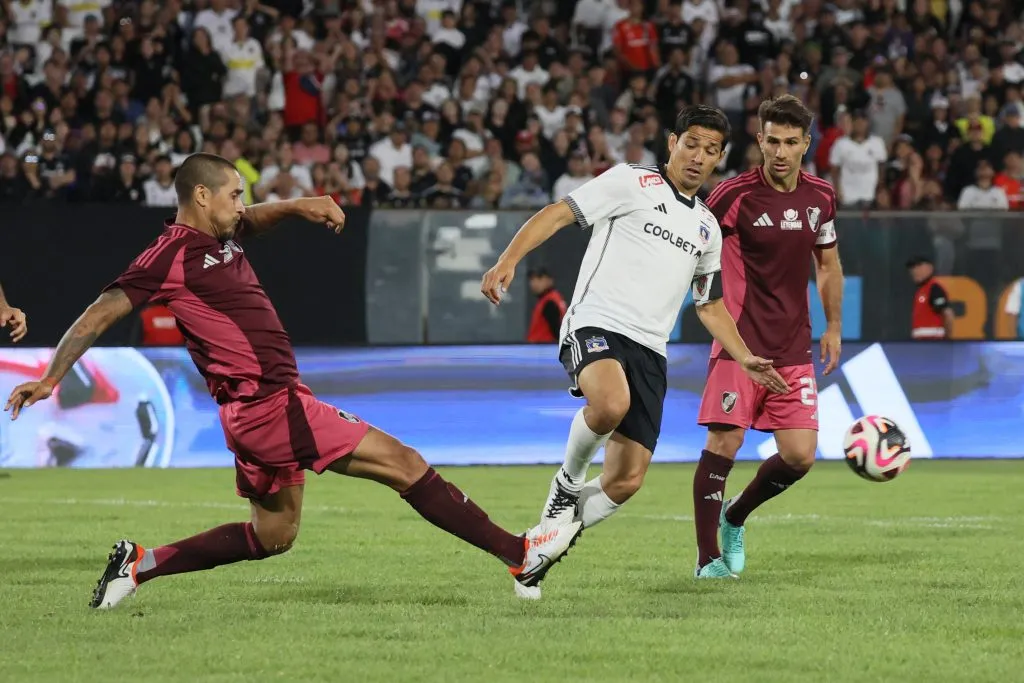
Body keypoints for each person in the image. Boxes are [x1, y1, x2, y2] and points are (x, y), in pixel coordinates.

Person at [4, 153, 583, 610]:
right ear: (200, 196)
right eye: (233, 194)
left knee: (273, 535)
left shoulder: (220, 237)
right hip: (265, 406)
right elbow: (101, 311)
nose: (241, 205)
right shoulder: (169, 254)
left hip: (265, 407)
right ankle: (519, 553)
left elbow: (253, 221)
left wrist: (304, 204)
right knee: (403, 464)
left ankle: (138, 565)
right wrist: (52, 376)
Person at [481, 105, 789, 599]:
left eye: (710, 150)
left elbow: (709, 307)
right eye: (690, 144)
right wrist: (508, 259)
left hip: (651, 350)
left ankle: (539, 550)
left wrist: (745, 355)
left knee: (626, 481)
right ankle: (566, 484)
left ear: (720, 158)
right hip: (597, 322)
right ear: (671, 143)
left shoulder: (707, 228)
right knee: (609, 403)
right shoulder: (629, 181)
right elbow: (560, 213)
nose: (697, 157)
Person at [693, 95, 844, 579]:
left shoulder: (820, 196)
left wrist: (834, 326)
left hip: (792, 346)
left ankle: (734, 516)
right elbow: (689, 246)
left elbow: (828, 264)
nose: (780, 152)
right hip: (740, 344)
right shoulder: (733, 195)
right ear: (759, 140)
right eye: (772, 141)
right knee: (725, 442)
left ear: (806, 144)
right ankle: (708, 559)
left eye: (791, 143)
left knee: (799, 458)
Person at [906, 255, 953, 340]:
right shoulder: (921, 291)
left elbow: (947, 314)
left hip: (933, 342)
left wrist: (947, 340)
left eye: (919, 266)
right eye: (912, 268)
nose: (915, 270)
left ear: (930, 268)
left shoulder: (934, 288)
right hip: (922, 343)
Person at [525, 266, 566, 343]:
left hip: (543, 350)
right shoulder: (555, 297)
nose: (534, 282)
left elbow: (557, 331)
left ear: (550, 280)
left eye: (540, 278)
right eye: (532, 279)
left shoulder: (549, 302)